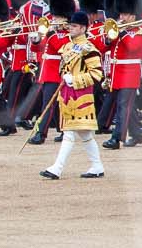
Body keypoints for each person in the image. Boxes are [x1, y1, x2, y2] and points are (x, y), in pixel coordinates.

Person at [41, 12, 106, 179]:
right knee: (85, 134)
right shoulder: (68, 47)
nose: (70, 28)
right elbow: (63, 67)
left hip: (81, 94)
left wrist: (74, 79)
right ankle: (97, 166)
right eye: (70, 25)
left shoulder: (89, 49)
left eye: (74, 26)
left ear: (83, 28)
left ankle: (57, 168)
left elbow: (97, 75)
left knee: (70, 133)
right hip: (68, 94)